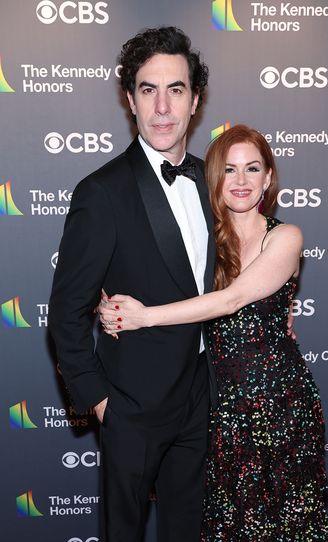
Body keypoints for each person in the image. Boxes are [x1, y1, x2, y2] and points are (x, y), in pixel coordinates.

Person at [99, 125, 328, 541]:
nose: (240, 181)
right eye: (229, 170)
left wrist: (143, 316)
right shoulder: (206, 239)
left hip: (277, 404)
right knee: (224, 525)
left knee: (281, 524)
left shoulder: (286, 236)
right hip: (216, 406)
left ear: (269, 178)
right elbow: (149, 266)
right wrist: (109, 303)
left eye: (252, 169)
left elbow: (231, 300)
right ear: (214, 180)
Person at [49, 26, 217, 542]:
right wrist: (104, 406)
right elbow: (65, 316)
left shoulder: (212, 181)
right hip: (133, 408)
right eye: (149, 90)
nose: (163, 107)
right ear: (130, 100)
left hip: (203, 396)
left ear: (195, 101)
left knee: (188, 530)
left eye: (176, 90)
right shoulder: (102, 193)